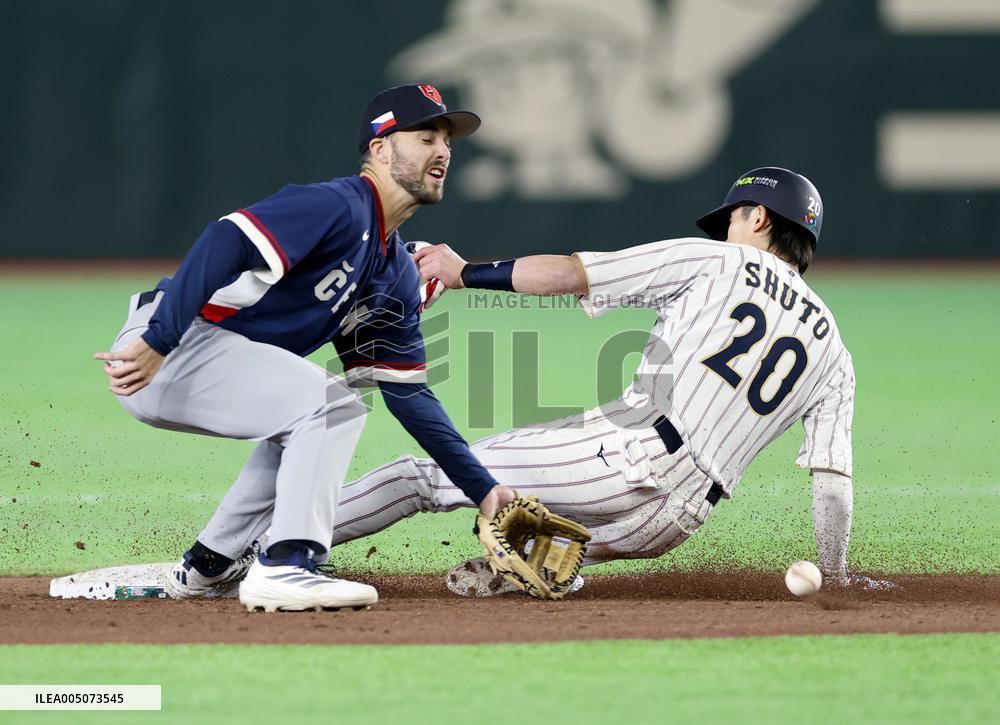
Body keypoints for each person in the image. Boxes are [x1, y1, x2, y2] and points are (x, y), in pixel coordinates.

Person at [326, 167, 886, 594]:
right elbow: (832, 480)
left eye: (733, 219)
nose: (726, 232)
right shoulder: (834, 350)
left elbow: (574, 274)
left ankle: (269, 548)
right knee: (527, 549)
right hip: (673, 524)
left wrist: (465, 271)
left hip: (627, 458)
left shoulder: (717, 263)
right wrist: (834, 575)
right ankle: (550, 561)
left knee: (422, 476)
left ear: (759, 218)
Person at [94, 84, 517, 612]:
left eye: (448, 141)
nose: (443, 151)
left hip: (206, 354)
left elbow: (409, 396)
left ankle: (209, 566)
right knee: (330, 404)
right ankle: (288, 564)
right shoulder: (337, 205)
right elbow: (223, 240)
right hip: (171, 346)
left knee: (314, 412)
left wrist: (483, 489)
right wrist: (159, 340)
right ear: (381, 148)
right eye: (425, 135)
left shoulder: (393, 273)